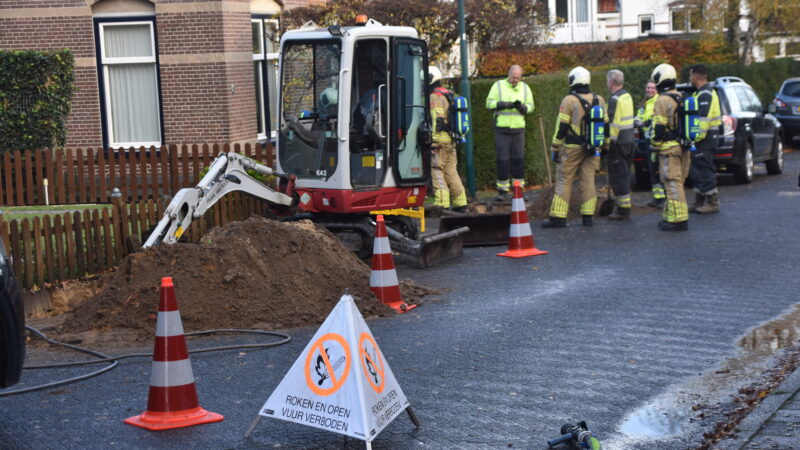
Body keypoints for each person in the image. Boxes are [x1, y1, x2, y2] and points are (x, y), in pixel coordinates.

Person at [542, 66, 606, 228]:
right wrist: (605, 146)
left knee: (564, 180)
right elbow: (606, 126)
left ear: (573, 80)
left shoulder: (569, 100)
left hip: (572, 147)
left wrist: (555, 147)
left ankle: (558, 217)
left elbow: (562, 127)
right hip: (593, 148)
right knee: (589, 180)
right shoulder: (600, 99)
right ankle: (588, 217)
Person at [485, 65, 534, 200]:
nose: (515, 80)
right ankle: (502, 191)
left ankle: (518, 190)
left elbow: (531, 106)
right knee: (503, 161)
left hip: (518, 130)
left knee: (519, 161)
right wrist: (502, 104)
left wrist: (523, 107)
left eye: (518, 78)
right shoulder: (498, 86)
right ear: (509, 74)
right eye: (513, 77)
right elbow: (488, 103)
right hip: (502, 129)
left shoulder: (525, 88)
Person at [651, 63, 690, 231]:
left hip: (668, 149)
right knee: (678, 182)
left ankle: (678, 220)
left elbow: (659, 128)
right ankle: (671, 215)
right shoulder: (680, 97)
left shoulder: (662, 100)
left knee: (671, 182)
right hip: (683, 147)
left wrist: (654, 145)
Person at [428, 66, 467, 212]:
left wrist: (433, 142)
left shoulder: (434, 97)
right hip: (451, 140)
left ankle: (441, 205)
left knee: (437, 171)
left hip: (440, 142)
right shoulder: (449, 94)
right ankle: (460, 203)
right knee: (451, 171)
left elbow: (436, 119)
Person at [688, 64, 722, 214]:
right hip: (703, 138)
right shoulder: (700, 93)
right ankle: (699, 200)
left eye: (690, 75)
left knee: (705, 168)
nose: (689, 78)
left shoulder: (705, 95)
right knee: (698, 168)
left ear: (696, 76)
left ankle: (713, 202)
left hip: (705, 138)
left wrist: (695, 137)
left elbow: (703, 120)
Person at [604, 70, 636, 220]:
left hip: (618, 143)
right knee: (625, 173)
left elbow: (614, 124)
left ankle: (623, 210)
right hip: (629, 141)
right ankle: (624, 206)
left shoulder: (614, 99)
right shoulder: (627, 96)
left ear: (610, 82)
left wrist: (607, 144)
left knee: (619, 176)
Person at [635, 80, 665, 208]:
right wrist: (636, 121)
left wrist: (645, 123)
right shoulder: (645, 103)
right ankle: (657, 198)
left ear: (657, 90)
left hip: (656, 142)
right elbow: (639, 117)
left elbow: (655, 120)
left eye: (652, 88)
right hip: (647, 141)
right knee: (652, 170)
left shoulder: (658, 102)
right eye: (648, 87)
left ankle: (663, 198)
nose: (650, 90)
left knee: (658, 170)